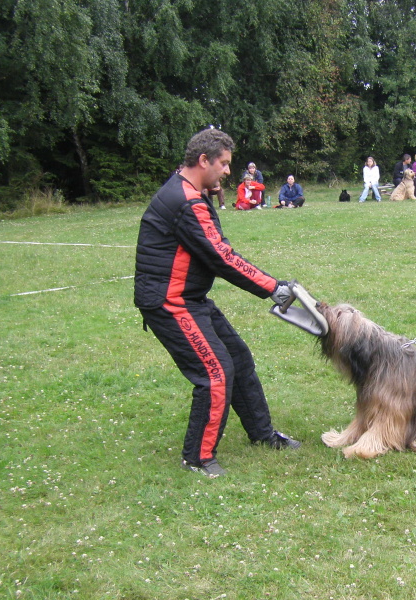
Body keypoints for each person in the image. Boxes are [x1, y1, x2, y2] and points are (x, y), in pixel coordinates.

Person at [134, 128, 301, 479]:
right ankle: (198, 458)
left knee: (238, 358)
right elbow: (221, 257)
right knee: (215, 374)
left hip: (190, 298)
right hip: (170, 302)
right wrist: (273, 287)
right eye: (223, 164)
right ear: (203, 160)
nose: (228, 171)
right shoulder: (186, 201)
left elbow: (215, 251)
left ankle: (262, 435)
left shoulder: (191, 191)